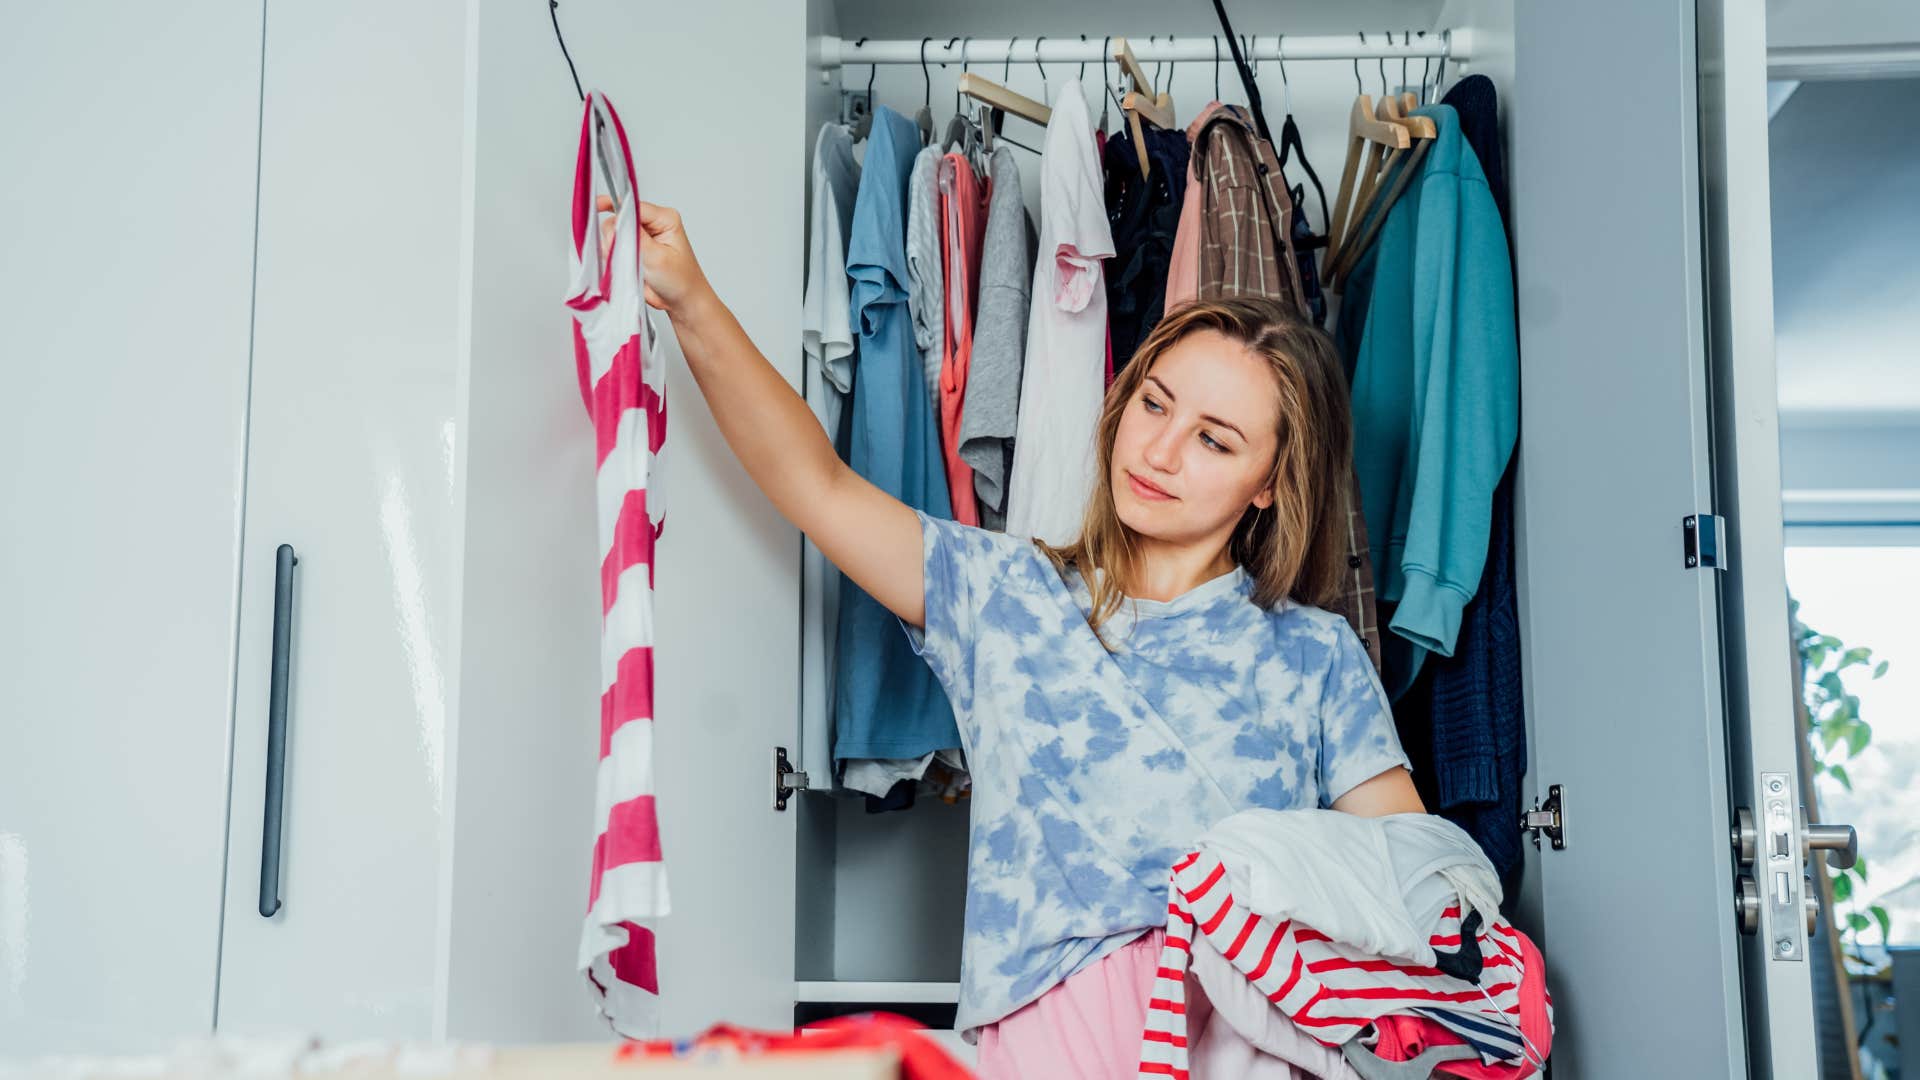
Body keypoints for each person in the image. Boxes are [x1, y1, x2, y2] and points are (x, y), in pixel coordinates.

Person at [609, 197, 1424, 1078]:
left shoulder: (1316, 655)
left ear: (1271, 482)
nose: (1159, 451)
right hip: (1045, 1037)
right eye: (1154, 404)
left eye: (1214, 442)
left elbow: (1413, 893)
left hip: (1249, 1045)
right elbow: (817, 483)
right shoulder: (1002, 593)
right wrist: (689, 299)